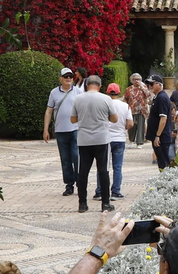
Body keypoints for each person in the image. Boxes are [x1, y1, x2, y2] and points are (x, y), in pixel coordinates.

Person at [71, 75, 118, 212]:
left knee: (83, 172)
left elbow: (73, 119)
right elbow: (114, 119)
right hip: (101, 139)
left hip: (84, 139)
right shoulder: (106, 99)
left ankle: (82, 204)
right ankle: (105, 203)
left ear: (86, 85)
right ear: (100, 85)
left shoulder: (78, 99)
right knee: (103, 171)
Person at [43, 68, 80, 196]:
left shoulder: (78, 91)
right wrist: (46, 129)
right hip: (60, 131)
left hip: (76, 130)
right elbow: (49, 111)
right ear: (60, 78)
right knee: (65, 159)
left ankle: (80, 183)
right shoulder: (54, 93)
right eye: (65, 76)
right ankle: (69, 185)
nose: (68, 78)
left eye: (70, 76)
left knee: (76, 157)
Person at [105, 83, 134, 199]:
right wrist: (123, 127)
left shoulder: (104, 104)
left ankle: (100, 191)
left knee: (103, 166)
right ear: (119, 92)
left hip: (106, 138)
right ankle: (116, 191)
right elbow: (130, 123)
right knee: (117, 167)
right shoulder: (125, 106)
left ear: (107, 92)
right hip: (120, 138)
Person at [146, 75, 175, 170]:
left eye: (152, 84)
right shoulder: (157, 97)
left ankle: (167, 182)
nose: (150, 86)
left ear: (159, 84)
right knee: (161, 162)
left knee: (164, 163)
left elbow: (163, 119)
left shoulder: (162, 98)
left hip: (161, 137)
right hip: (157, 135)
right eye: (149, 84)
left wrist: (158, 136)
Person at [125, 74, 150, 146]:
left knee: (141, 126)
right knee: (131, 127)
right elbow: (125, 98)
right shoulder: (129, 89)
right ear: (132, 80)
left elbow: (149, 96)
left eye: (138, 79)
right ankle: (131, 140)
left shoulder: (144, 88)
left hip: (141, 109)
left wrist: (143, 87)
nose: (137, 81)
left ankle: (139, 142)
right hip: (132, 110)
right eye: (135, 79)